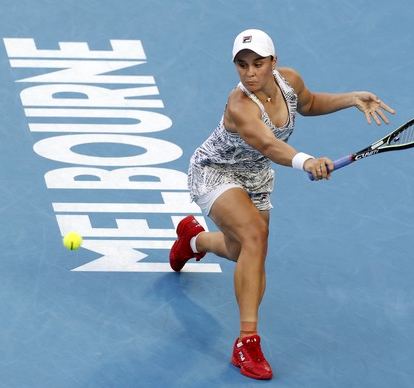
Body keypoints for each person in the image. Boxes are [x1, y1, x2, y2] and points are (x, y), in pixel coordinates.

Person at [169, 28, 394, 380]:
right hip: (215, 171)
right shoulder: (240, 104)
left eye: (258, 64)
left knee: (241, 249)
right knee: (255, 237)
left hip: (256, 176)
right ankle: (247, 342)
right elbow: (270, 145)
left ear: (274, 62)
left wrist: (351, 98)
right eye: (242, 65)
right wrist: (306, 161)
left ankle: (192, 240)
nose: (250, 73)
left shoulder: (289, 81)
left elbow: (308, 103)